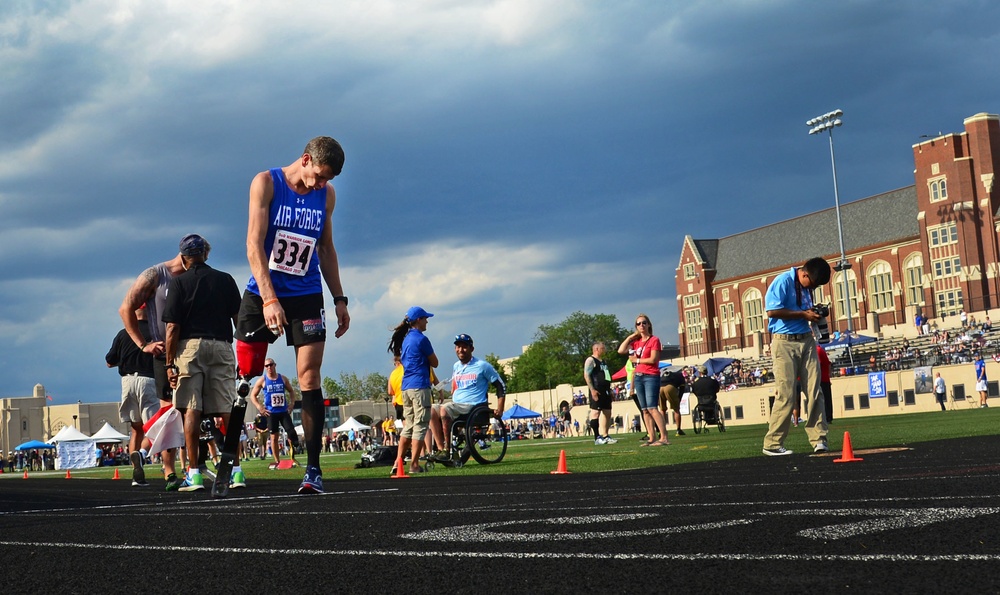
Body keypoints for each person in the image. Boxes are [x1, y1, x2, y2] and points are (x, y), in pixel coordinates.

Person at [236, 136, 350, 495]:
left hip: (305, 293)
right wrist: (270, 300)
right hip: (264, 291)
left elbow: (326, 247)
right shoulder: (266, 183)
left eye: (328, 178)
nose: (321, 184)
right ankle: (229, 459)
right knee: (245, 375)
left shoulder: (326, 195)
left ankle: (313, 470)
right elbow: (253, 244)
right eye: (319, 175)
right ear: (305, 159)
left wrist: (340, 298)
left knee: (309, 377)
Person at [161, 234, 242, 493]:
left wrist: (169, 364)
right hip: (221, 345)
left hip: (190, 347)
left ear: (184, 259)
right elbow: (239, 320)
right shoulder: (226, 279)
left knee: (191, 408)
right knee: (227, 409)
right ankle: (236, 471)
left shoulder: (179, 283)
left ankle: (194, 474)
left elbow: (172, 327)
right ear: (206, 253)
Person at [118, 239, 191, 491]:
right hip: (163, 354)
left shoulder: (192, 276)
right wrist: (143, 344)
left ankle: (155, 458)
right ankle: (172, 470)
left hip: (189, 351)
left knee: (175, 412)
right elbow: (125, 307)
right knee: (174, 411)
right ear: (185, 258)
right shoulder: (155, 275)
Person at [762, 257, 831, 456]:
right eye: (814, 283)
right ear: (804, 274)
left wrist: (814, 312)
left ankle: (819, 439)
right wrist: (803, 315)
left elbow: (803, 308)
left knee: (815, 390)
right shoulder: (783, 281)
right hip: (784, 342)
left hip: (806, 339)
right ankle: (773, 444)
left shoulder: (807, 287)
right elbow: (772, 311)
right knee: (786, 393)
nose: (814, 287)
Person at [429, 334, 506, 458]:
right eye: (458, 347)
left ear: (471, 349)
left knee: (445, 408)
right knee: (431, 410)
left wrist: (500, 408)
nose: (460, 350)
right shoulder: (456, 366)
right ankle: (440, 448)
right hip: (456, 404)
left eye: (464, 347)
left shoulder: (482, 365)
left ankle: (448, 450)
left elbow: (500, 385)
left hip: (473, 405)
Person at [105, 305, 158, 486]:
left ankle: (136, 475)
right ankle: (141, 455)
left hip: (127, 382)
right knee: (154, 428)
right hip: (149, 381)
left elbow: (109, 361)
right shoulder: (155, 331)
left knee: (136, 428)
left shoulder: (123, 333)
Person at [387, 306, 438, 475]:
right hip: (419, 385)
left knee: (408, 425)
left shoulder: (406, 339)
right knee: (421, 424)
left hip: (406, 387)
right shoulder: (421, 339)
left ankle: (398, 461)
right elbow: (435, 362)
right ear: (418, 320)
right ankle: (414, 464)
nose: (427, 321)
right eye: (424, 318)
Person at [618, 314, 669, 446]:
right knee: (644, 409)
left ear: (649, 324)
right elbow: (621, 350)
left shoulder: (654, 340)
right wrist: (630, 336)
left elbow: (653, 359)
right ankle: (651, 437)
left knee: (652, 407)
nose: (641, 325)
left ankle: (664, 437)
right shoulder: (636, 342)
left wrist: (638, 360)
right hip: (639, 376)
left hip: (651, 375)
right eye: (638, 323)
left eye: (644, 323)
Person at [248, 358, 301, 469]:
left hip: (283, 411)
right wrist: (260, 407)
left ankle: (294, 452)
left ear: (275, 365)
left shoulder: (283, 378)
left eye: (271, 365)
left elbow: (291, 391)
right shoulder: (262, 380)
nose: (269, 367)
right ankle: (277, 460)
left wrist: (292, 404)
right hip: (271, 413)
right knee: (274, 437)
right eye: (266, 366)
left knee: (291, 431)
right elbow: (253, 395)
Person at [583, 342, 618, 445]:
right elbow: (587, 375)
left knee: (607, 413)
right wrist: (592, 390)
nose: (604, 350)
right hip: (597, 390)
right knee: (595, 413)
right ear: (597, 349)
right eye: (603, 348)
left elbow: (606, 376)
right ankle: (597, 437)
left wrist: (610, 389)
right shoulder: (591, 360)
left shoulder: (603, 362)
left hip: (605, 390)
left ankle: (605, 435)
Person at [659, 368, 686, 436]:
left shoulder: (664, 373)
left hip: (660, 387)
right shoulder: (680, 375)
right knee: (676, 409)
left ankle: (662, 430)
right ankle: (678, 430)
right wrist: (679, 399)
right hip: (670, 387)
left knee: (662, 410)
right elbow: (682, 389)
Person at [817, 345, 833, 423]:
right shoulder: (820, 350)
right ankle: (828, 417)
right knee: (827, 399)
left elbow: (818, 365)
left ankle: (825, 417)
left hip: (821, 379)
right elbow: (828, 363)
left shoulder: (817, 350)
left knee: (822, 399)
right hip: (824, 378)